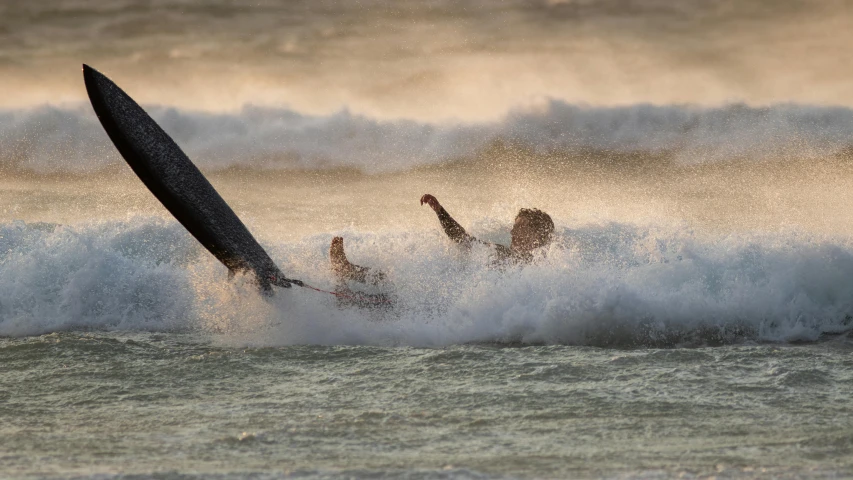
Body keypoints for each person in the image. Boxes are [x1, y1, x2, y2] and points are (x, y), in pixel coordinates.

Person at [330, 194, 555, 285]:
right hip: (452, 291)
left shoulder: (544, 270)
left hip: (455, 303)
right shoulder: (504, 253)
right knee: (410, 276)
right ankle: (352, 274)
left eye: (520, 229)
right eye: (514, 228)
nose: (512, 233)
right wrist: (440, 212)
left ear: (538, 235)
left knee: (411, 282)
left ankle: (350, 274)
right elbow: (463, 240)